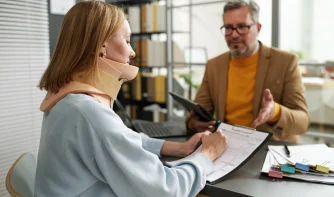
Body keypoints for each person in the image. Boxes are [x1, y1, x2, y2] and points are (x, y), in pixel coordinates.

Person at [34, 1, 227, 197]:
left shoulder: (66, 99)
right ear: (101, 46)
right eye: (127, 41)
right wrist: (207, 155)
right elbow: (166, 190)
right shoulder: (89, 113)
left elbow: (118, 139)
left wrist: (178, 148)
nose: (133, 52)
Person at [186, 0, 310, 143]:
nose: (234, 34)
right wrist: (193, 123)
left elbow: (302, 123)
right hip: (226, 146)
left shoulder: (285, 62)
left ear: (258, 28)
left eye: (242, 27)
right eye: (228, 28)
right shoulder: (214, 66)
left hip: (270, 148)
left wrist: (274, 112)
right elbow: (196, 113)